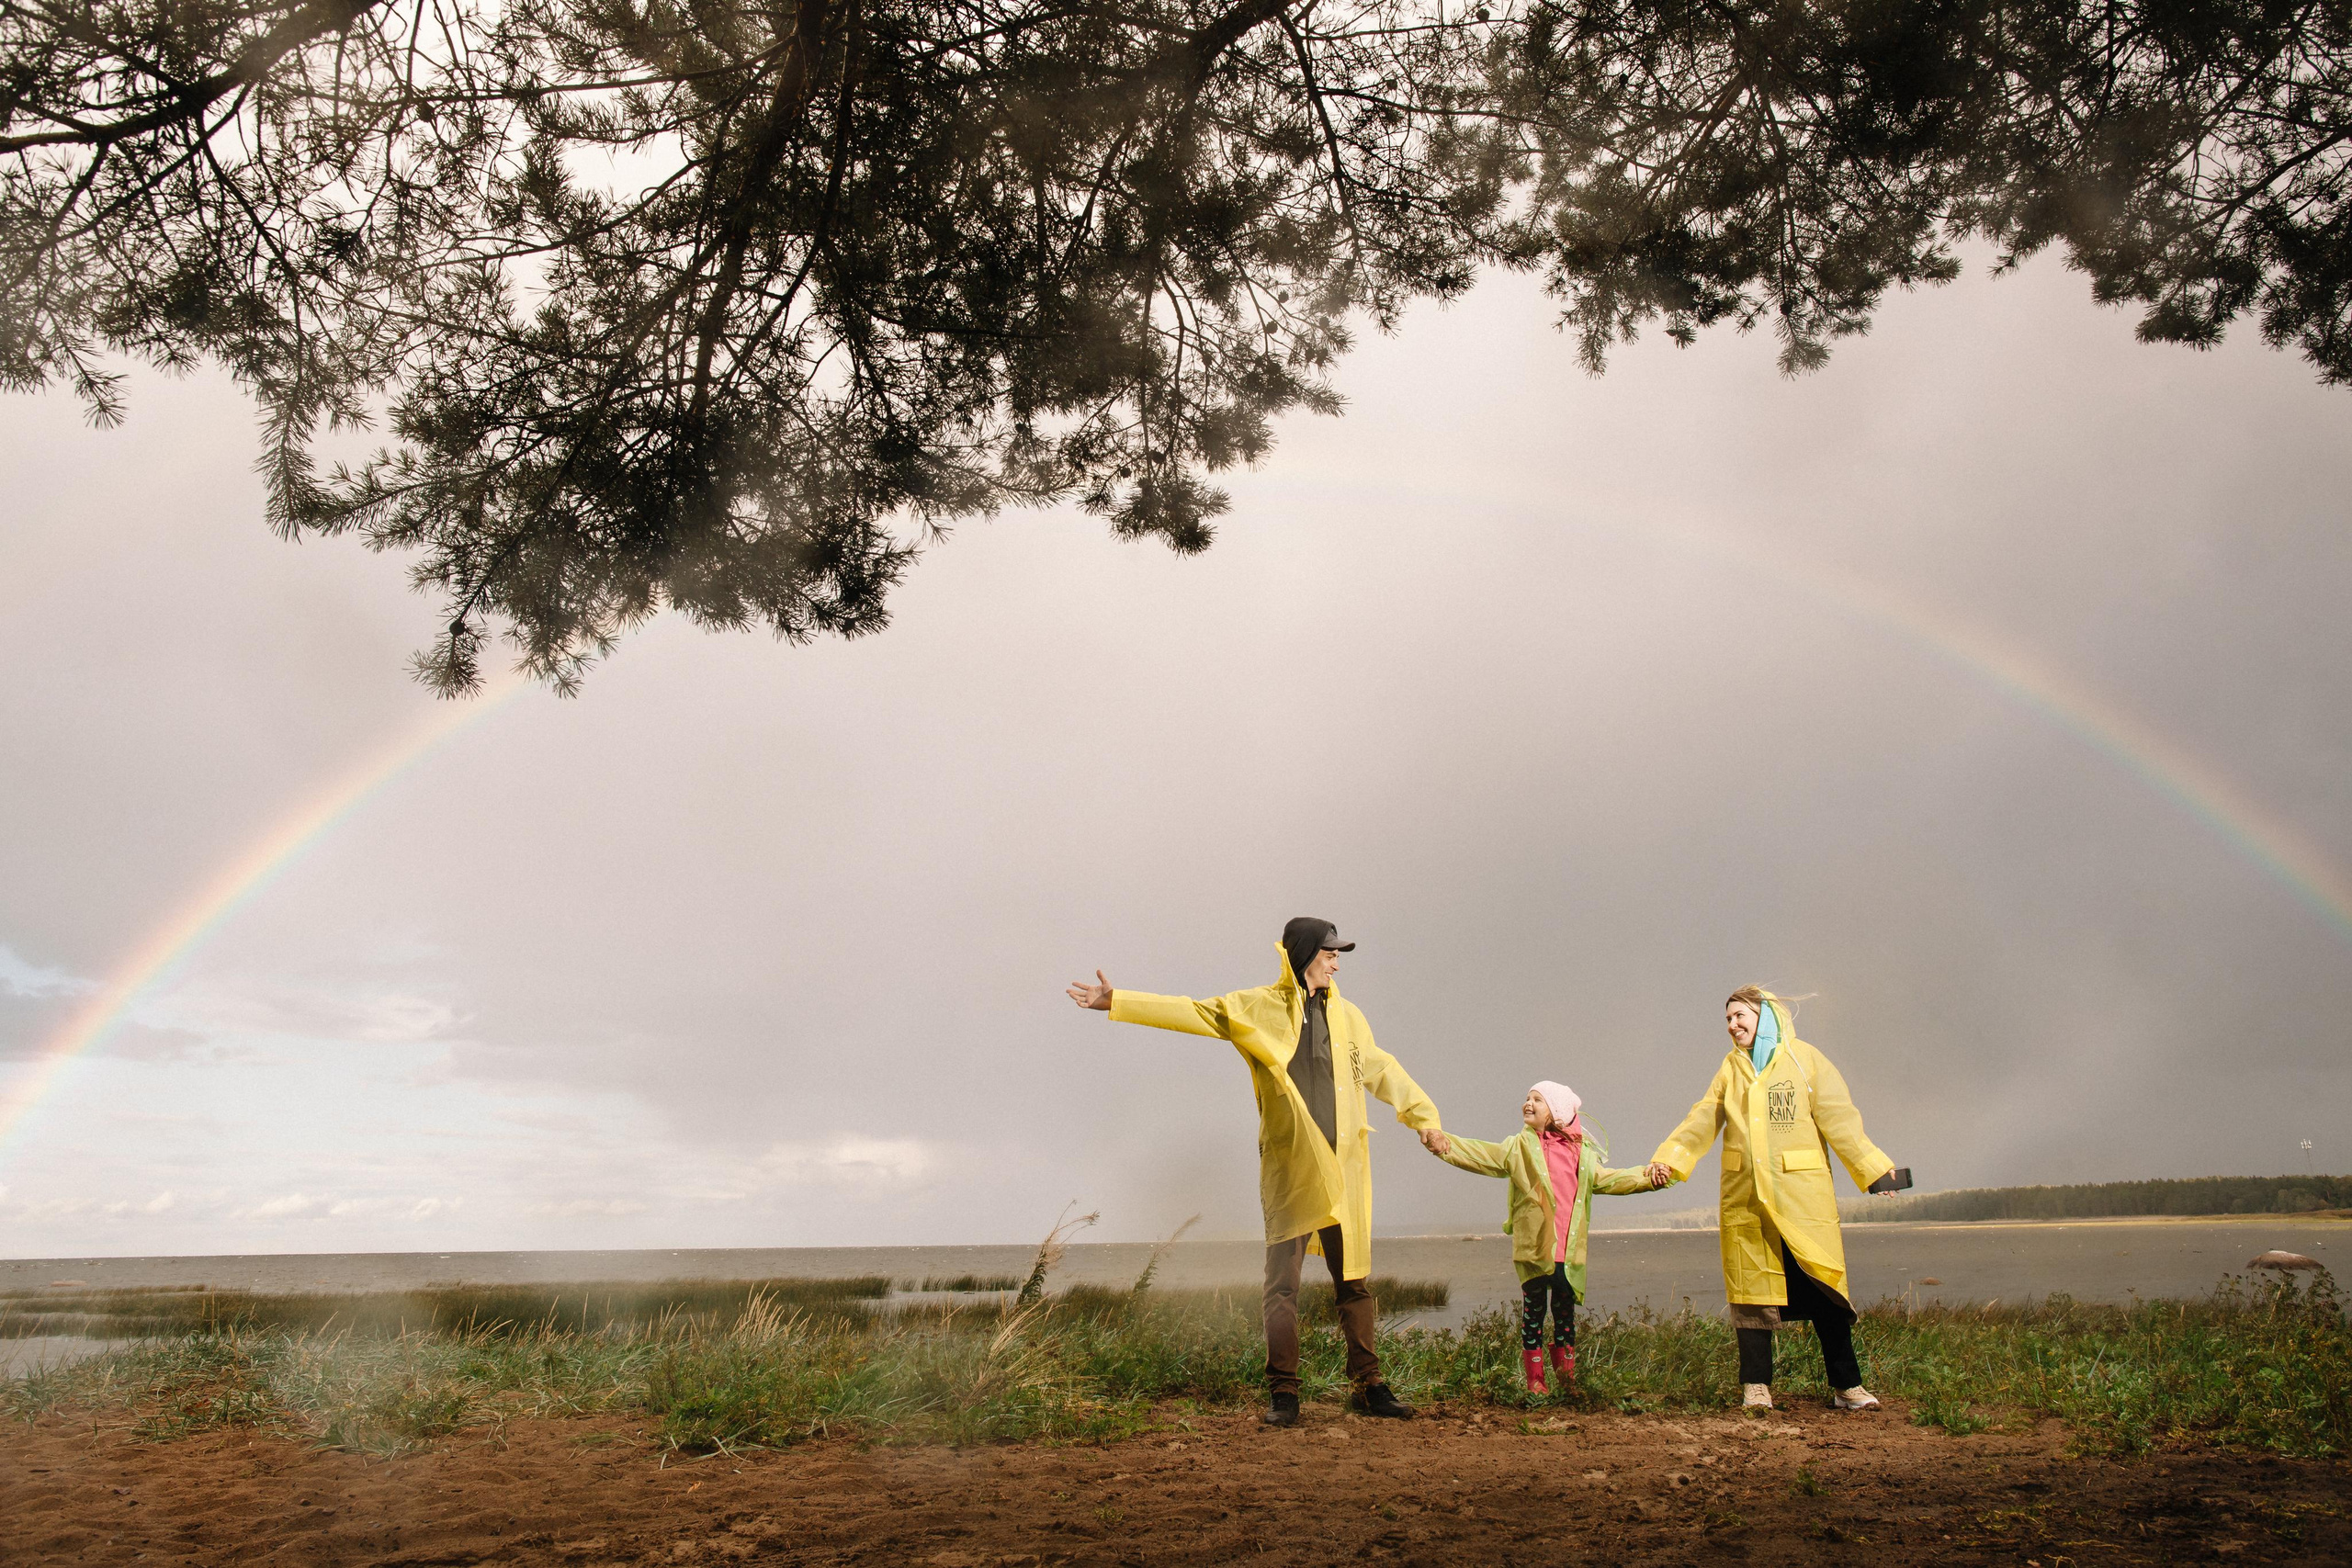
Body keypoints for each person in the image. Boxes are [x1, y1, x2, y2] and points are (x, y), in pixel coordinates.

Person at [1067, 917, 1446, 1427]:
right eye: (1330, 953)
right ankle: (1284, 1394)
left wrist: (1425, 1120)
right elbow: (1197, 1012)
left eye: (1339, 954)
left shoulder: (1351, 1018)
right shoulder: (1258, 1008)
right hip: (1292, 1167)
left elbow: (1381, 1069)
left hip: (1346, 1167)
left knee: (1353, 1282)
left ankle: (1370, 1386)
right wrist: (1118, 1001)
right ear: (1306, 953)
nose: (1337, 962)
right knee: (1282, 1286)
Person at [1645, 987, 1902, 1412]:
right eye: (1727, 1019)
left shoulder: (1806, 1061)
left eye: (1740, 1016)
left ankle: (1847, 1386)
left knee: (1826, 1293)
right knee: (1751, 1297)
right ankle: (1756, 1387)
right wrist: (1670, 1160)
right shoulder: (1731, 1068)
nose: (1733, 1026)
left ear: (1766, 1016)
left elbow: (1840, 1118)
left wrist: (1874, 1171)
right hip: (1747, 1200)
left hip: (1802, 1198)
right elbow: (1703, 1117)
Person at [1429, 1079, 1668, 1393]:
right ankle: (1536, 1384)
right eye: (1527, 1098)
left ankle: (1567, 1381)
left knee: (1565, 1318)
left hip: (1569, 1255)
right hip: (1535, 1252)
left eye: (1537, 1100)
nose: (1528, 1103)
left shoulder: (1582, 1154)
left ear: (1556, 1111)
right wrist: (1448, 1145)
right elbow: (1484, 1154)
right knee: (1534, 1316)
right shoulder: (1518, 1147)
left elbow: (1612, 1180)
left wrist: (1647, 1177)